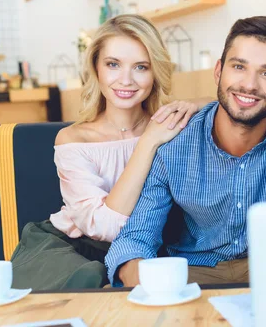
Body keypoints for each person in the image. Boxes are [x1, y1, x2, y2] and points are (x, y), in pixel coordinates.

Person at [105, 16, 266, 287]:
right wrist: (140, 275)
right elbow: (136, 238)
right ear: (218, 72)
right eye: (239, 67)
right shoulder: (175, 140)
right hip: (195, 274)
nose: (249, 85)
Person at [11, 15, 209, 290]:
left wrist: (196, 104)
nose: (125, 80)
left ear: (155, 73)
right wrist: (148, 141)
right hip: (72, 246)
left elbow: (231, 103)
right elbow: (103, 227)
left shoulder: (168, 124)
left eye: (141, 67)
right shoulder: (74, 139)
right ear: (96, 69)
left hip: (146, 243)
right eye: (113, 64)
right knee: (89, 282)